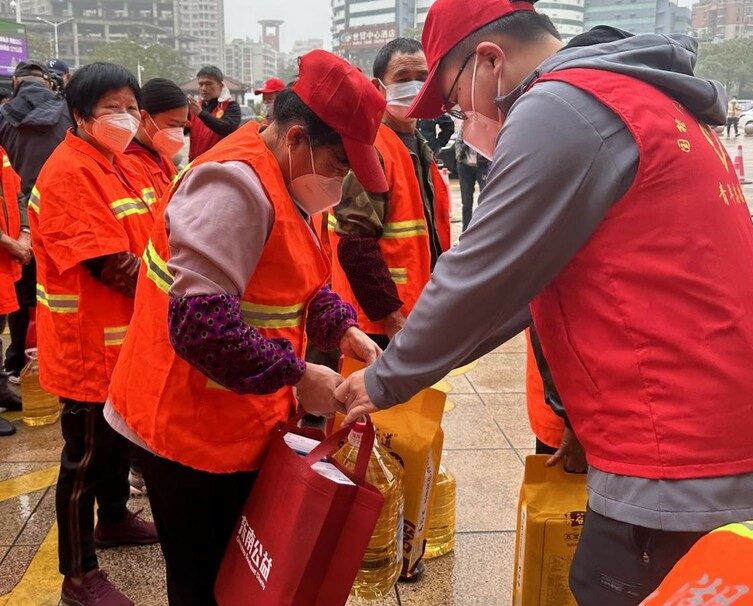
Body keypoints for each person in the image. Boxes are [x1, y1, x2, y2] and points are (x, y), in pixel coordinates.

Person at [335, 0, 753, 604]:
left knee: (608, 589)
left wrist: (385, 379)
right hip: (739, 422)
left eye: (455, 100)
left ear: (490, 60)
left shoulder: (562, 109)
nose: (461, 120)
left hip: (683, 446)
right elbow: (531, 282)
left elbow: (483, 275)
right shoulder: (640, 96)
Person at [106, 50, 388, 606]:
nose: (343, 179)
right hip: (183, 425)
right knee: (204, 580)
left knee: (244, 572)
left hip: (236, 413)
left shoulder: (295, 180)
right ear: (298, 139)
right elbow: (200, 328)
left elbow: (297, 280)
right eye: (340, 164)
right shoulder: (231, 188)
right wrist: (300, 374)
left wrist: (342, 328)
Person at [30, 62, 161, 606]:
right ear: (81, 115)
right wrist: (181, 293)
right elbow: (109, 265)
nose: (126, 117)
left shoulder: (113, 163)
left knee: (113, 445)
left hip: (122, 342)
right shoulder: (69, 173)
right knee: (82, 461)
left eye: (132, 106)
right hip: (88, 347)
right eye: (113, 108)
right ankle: (78, 577)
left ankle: (113, 520)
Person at [331, 37, 451, 351]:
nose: (415, 87)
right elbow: (355, 245)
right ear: (378, 87)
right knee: (371, 399)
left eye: (423, 78)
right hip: (379, 323)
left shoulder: (419, 147)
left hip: (416, 312)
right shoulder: (372, 148)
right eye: (402, 79)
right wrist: (391, 315)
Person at [0, 59, 73, 385]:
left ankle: (17, 361)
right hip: (65, 215)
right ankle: (62, 358)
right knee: (64, 292)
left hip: (19, 223)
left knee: (19, 296)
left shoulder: (2, 116)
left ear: (16, 83)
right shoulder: (69, 112)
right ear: (49, 82)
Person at [0, 146, 29, 434]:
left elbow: (17, 194)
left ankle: (1, 390)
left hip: (5, 261)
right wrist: (10, 243)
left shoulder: (1, 153)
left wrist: (24, 231)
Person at [125, 78, 188, 194]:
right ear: (143, 117)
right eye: (172, 125)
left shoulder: (162, 156)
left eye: (182, 126)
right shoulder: (128, 163)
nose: (178, 132)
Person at [186, 65, 240, 161]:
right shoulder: (194, 108)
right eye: (201, 84)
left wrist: (201, 114)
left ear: (221, 85)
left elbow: (227, 128)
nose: (203, 88)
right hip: (195, 164)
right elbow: (182, 130)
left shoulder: (231, 106)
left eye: (208, 84)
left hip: (219, 166)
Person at [454, 122, 489, 231]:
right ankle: (466, 230)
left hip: (482, 166)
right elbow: (458, 142)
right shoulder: (465, 125)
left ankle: (484, 230)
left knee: (485, 199)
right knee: (466, 201)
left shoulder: (485, 126)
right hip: (465, 167)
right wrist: (459, 155)